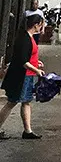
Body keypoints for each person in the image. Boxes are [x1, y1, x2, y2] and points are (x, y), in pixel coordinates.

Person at [0, 12, 45, 140]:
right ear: (36, 25)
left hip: (27, 75)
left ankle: (28, 131)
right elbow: (23, 62)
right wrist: (36, 70)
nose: (41, 28)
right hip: (22, 76)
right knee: (12, 102)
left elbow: (28, 57)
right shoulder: (25, 39)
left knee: (26, 102)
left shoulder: (28, 37)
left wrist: (37, 63)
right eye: (40, 25)